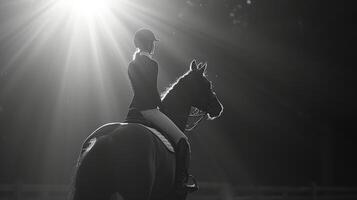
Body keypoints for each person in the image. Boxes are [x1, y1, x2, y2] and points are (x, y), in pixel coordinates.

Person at [127, 28, 198, 196]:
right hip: (149, 110)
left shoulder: (132, 64)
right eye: (153, 43)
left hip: (133, 111)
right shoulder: (152, 64)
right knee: (183, 140)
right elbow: (151, 91)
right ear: (150, 44)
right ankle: (180, 183)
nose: (154, 46)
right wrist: (162, 107)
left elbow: (138, 90)